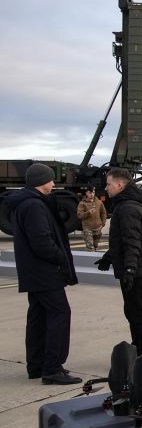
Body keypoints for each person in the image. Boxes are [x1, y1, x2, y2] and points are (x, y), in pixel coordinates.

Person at [7, 163, 81, 384]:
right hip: (44, 272)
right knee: (60, 314)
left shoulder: (27, 203)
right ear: (42, 182)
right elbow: (42, 242)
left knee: (38, 317)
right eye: (50, 180)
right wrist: (60, 257)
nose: (53, 183)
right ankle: (52, 369)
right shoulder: (34, 206)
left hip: (34, 272)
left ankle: (37, 365)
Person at [95, 168, 142, 355]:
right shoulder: (126, 205)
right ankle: (138, 345)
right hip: (136, 268)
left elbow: (132, 242)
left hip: (137, 271)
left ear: (120, 185)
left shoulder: (128, 208)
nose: (106, 188)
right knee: (131, 311)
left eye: (109, 184)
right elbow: (121, 240)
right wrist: (109, 257)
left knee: (137, 312)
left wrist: (130, 269)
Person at [76, 185, 107, 251]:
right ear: (86, 193)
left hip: (97, 227)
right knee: (90, 247)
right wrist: (88, 212)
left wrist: (103, 223)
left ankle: (94, 259)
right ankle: (90, 260)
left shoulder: (99, 202)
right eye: (90, 193)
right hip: (87, 228)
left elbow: (103, 213)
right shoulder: (82, 203)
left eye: (93, 192)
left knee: (96, 245)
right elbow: (79, 215)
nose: (92, 194)